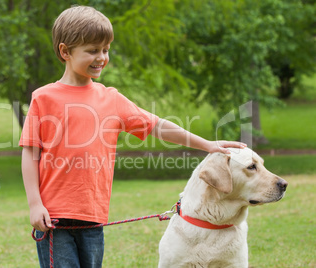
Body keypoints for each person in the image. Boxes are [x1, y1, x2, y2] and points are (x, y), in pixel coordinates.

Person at [19, 5, 246, 268]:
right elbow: (30, 153)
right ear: (65, 51)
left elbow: (157, 126)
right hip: (54, 221)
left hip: (93, 219)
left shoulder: (111, 99)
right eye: (92, 50)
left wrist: (207, 144)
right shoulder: (44, 98)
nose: (101, 57)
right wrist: (35, 204)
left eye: (105, 50)